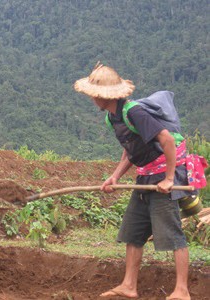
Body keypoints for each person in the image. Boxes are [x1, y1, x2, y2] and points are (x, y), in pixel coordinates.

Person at [74, 62, 198, 300]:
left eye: (93, 94)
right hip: (144, 176)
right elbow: (131, 148)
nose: (91, 99)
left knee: (172, 233)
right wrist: (115, 176)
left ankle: (182, 290)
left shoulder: (134, 112)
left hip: (162, 175)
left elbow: (167, 141)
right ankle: (129, 285)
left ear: (102, 95)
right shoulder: (113, 117)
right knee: (134, 232)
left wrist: (170, 178)